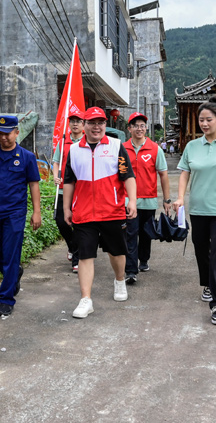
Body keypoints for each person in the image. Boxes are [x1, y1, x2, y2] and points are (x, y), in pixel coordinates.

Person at [172, 98, 216, 326]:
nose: (204, 123)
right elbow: (184, 173)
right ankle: (207, 284)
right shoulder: (192, 147)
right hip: (199, 208)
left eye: (208, 119)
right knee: (201, 250)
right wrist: (181, 197)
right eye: (201, 120)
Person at [63, 107, 137, 318]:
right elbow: (69, 181)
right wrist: (67, 208)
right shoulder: (74, 150)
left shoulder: (116, 146)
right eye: (92, 122)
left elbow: (128, 176)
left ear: (106, 125)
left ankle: (120, 280)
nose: (96, 126)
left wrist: (131, 200)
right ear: (84, 125)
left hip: (112, 210)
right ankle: (86, 300)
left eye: (101, 122)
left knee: (117, 252)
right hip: (84, 213)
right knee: (85, 255)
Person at [0, 115, 42, 317]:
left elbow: (33, 184)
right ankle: (13, 273)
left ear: (17, 132)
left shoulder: (26, 157)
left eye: (7, 133)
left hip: (15, 214)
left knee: (11, 254)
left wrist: (36, 212)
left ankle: (6, 299)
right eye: (0, 133)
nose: (3, 137)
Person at [123, 112, 171, 283]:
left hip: (149, 200)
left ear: (146, 128)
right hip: (128, 200)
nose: (139, 128)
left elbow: (163, 175)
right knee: (130, 233)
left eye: (142, 125)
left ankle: (144, 260)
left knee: (145, 233)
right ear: (129, 129)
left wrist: (166, 200)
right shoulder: (122, 148)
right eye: (135, 125)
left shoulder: (155, 149)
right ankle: (130, 270)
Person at [52, 111, 85, 273]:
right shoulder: (63, 141)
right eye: (72, 121)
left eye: (79, 121)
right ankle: (72, 246)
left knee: (78, 223)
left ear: (84, 124)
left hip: (81, 189)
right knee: (61, 221)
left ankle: (77, 259)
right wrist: (55, 176)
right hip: (63, 188)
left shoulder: (87, 141)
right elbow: (56, 161)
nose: (75, 124)